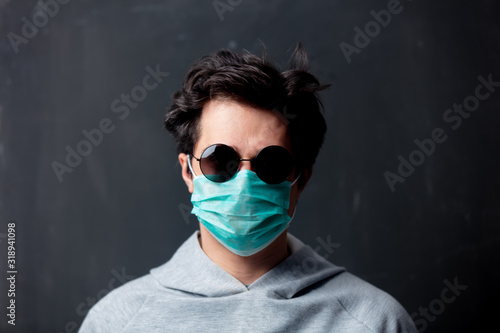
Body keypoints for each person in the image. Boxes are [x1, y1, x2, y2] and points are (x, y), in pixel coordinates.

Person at [79, 44, 417, 332]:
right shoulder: (115, 322)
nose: (244, 182)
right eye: (220, 160)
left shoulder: (374, 321)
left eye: (271, 164)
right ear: (188, 171)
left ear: (302, 177)